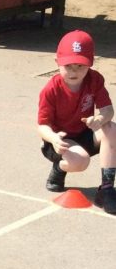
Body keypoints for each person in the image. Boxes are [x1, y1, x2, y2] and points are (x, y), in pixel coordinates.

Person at [38, 29, 116, 215]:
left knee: (111, 128)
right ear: (57, 62)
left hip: (85, 134)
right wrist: (53, 138)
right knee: (81, 162)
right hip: (60, 141)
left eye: (80, 66)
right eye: (69, 66)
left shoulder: (95, 79)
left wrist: (99, 119)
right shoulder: (50, 90)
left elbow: (108, 110)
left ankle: (106, 189)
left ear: (90, 63)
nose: (74, 71)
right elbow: (42, 125)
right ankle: (59, 168)